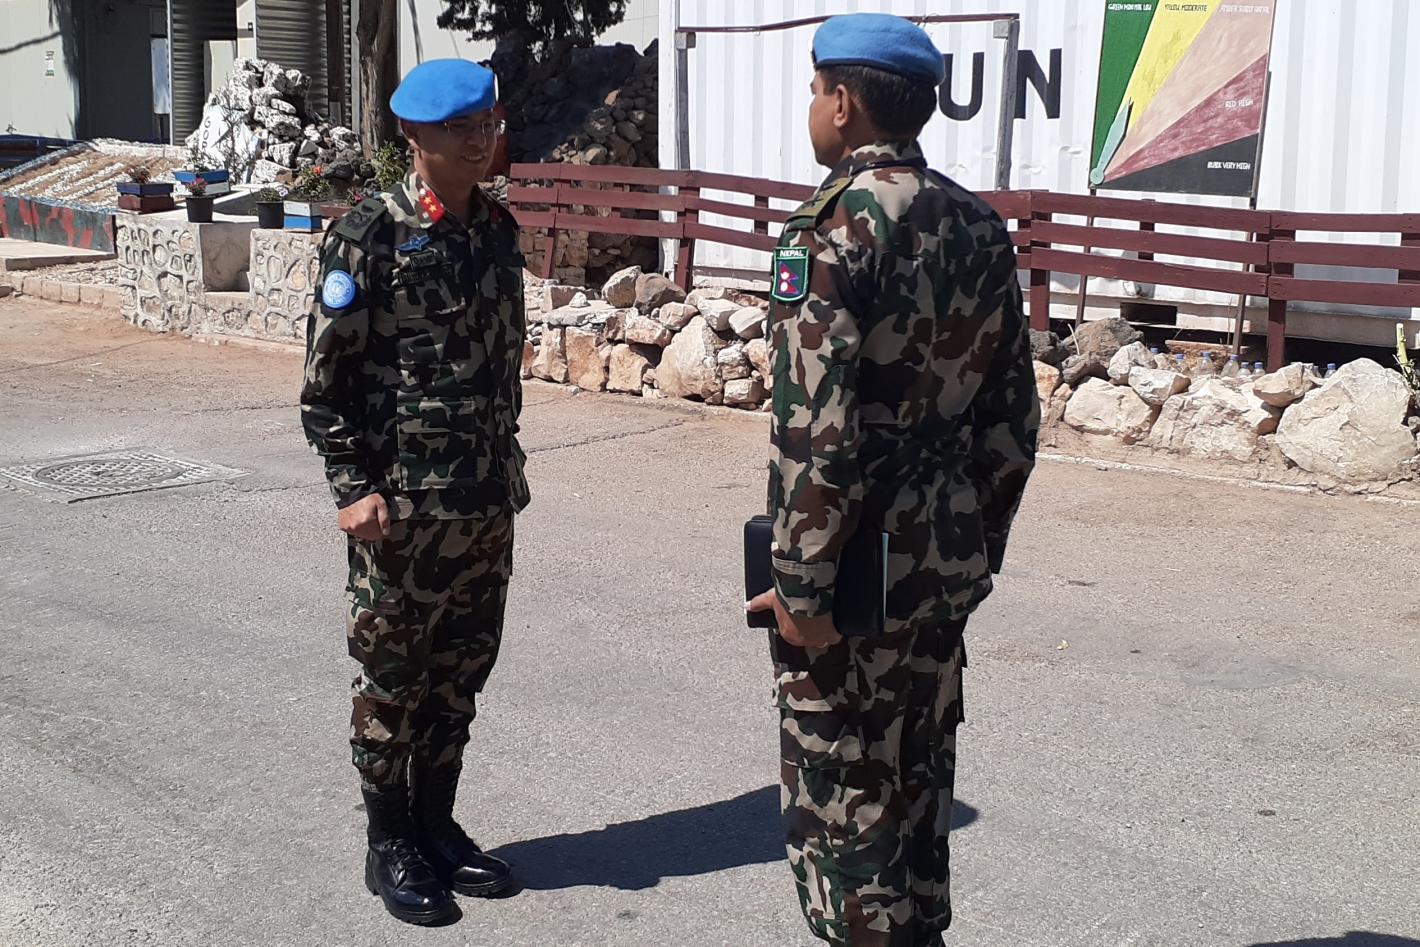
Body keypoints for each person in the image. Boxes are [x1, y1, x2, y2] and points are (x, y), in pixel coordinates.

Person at [745, 13, 1039, 947]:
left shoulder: (829, 229)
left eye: (814, 91)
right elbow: (1012, 421)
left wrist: (802, 589)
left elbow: (815, 433)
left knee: (844, 798)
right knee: (917, 781)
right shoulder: (978, 224)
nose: (812, 108)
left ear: (843, 102)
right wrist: (973, 546)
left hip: (853, 573)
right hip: (941, 556)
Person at [300, 58, 529, 926]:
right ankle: (388, 838)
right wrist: (352, 486)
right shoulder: (370, 234)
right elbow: (325, 385)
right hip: (399, 512)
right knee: (393, 681)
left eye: (486, 125)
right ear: (413, 136)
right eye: (460, 129)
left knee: (460, 676)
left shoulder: (496, 231)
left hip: (483, 503)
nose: (479, 141)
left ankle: (436, 822)